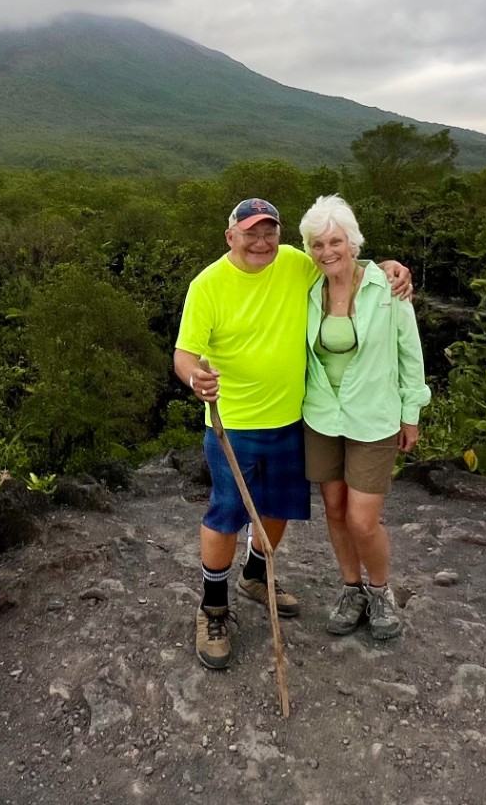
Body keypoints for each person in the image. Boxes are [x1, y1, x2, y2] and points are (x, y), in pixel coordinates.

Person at [174, 197, 412, 669]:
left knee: (279, 507)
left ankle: (256, 575)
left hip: (292, 418)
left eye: (269, 232)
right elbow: (185, 352)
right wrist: (193, 377)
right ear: (231, 237)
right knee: (226, 514)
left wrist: (388, 267)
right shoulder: (208, 285)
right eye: (251, 233)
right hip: (235, 423)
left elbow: (344, 265)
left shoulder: (296, 264)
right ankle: (213, 608)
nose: (261, 242)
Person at [298, 194, 430, 641]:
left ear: (352, 242)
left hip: (373, 417)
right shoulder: (306, 287)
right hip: (321, 415)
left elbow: (410, 355)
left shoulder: (386, 288)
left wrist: (411, 414)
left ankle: (380, 592)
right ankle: (350, 588)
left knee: (361, 519)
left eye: (335, 241)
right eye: (316, 244)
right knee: (334, 510)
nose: (326, 251)